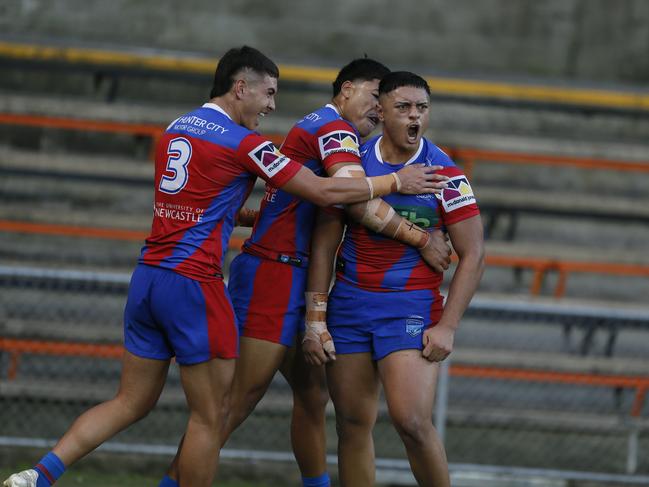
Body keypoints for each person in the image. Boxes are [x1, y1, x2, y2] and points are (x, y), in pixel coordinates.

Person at [3, 49, 443, 487]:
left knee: (310, 396)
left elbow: (226, 203)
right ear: (240, 88)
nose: (271, 105)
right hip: (236, 276)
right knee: (221, 410)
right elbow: (339, 191)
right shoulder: (304, 133)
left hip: (159, 273)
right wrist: (407, 207)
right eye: (268, 93)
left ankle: (40, 476)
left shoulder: (178, 126)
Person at [159, 58, 452, 487]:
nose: (378, 109)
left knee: (314, 396)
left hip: (295, 275)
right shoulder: (335, 129)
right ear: (347, 89)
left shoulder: (320, 126)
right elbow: (356, 199)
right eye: (376, 97)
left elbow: (298, 205)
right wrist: (422, 237)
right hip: (273, 276)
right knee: (234, 402)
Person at [304, 71, 485, 487]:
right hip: (349, 306)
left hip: (410, 308)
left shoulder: (446, 173)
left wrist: (448, 327)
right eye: (403, 107)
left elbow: (474, 254)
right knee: (350, 424)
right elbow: (324, 246)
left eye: (421, 108)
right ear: (381, 111)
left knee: (412, 422)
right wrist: (316, 319)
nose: (414, 116)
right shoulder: (353, 166)